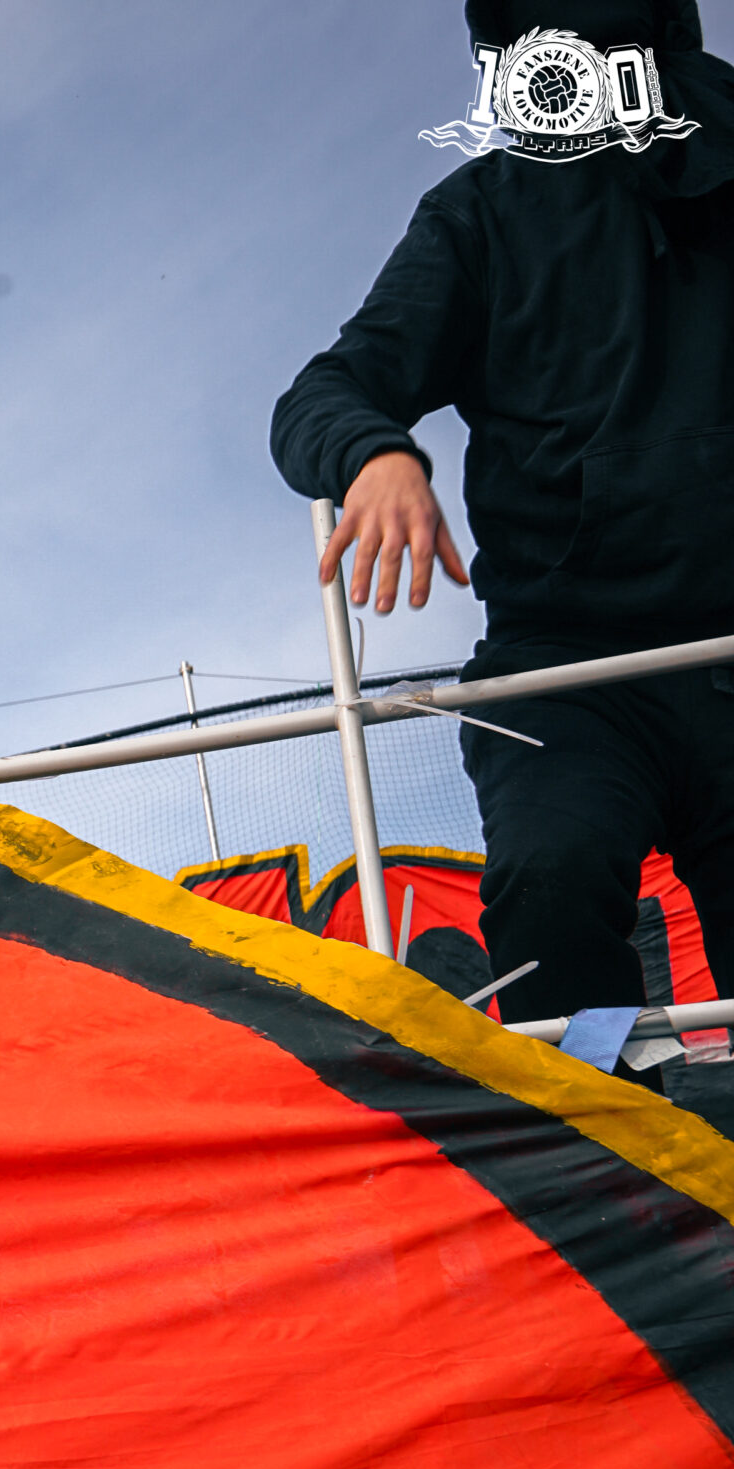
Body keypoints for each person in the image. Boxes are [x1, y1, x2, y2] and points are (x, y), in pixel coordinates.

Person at [270, 0, 734, 1033]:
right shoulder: (482, 213)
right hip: (565, 667)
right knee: (550, 881)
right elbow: (323, 392)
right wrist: (374, 454)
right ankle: (601, 1106)